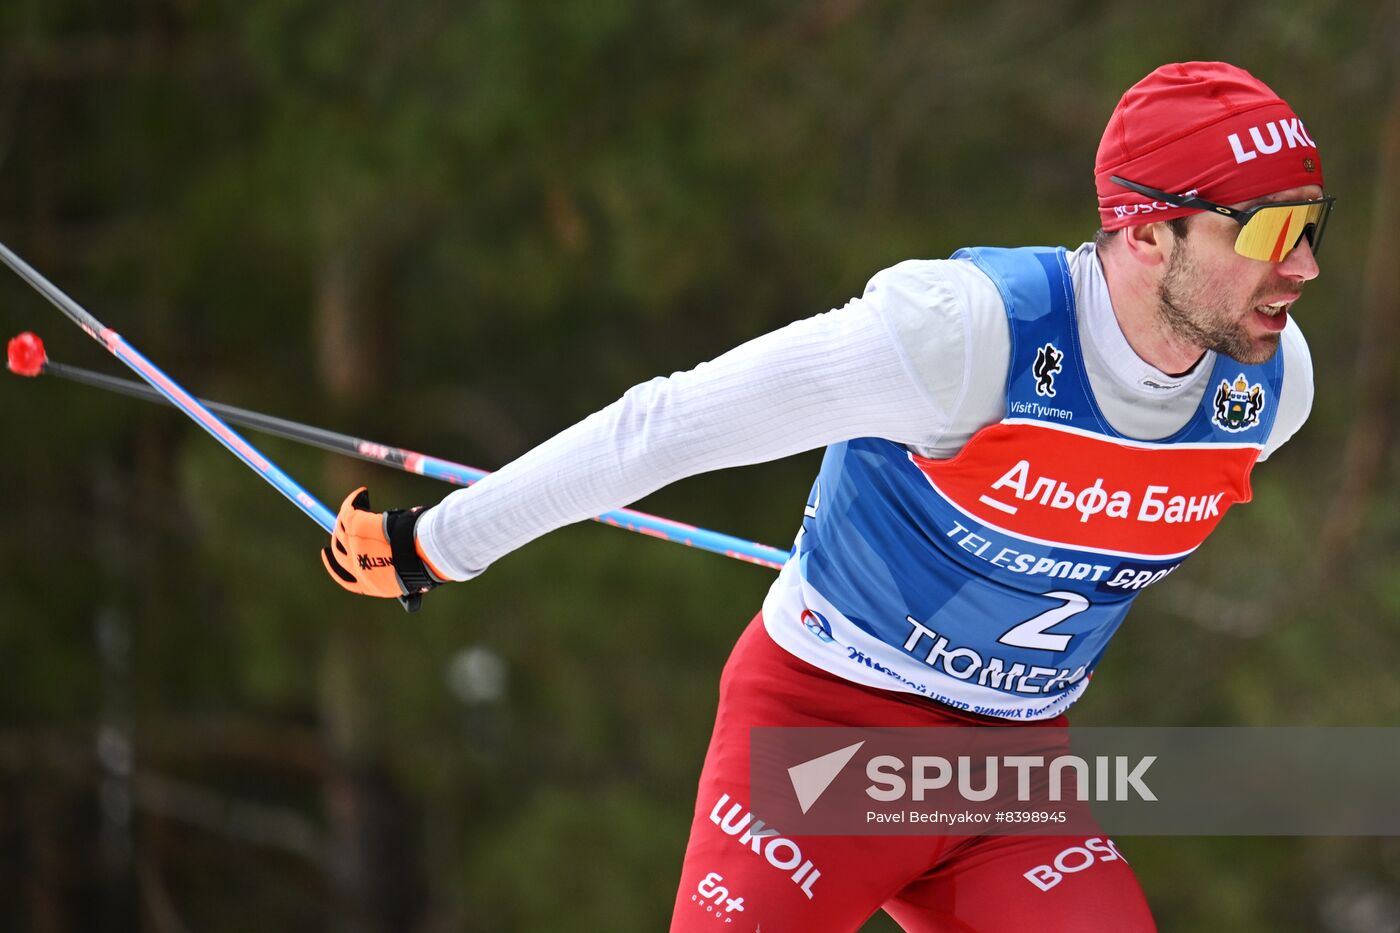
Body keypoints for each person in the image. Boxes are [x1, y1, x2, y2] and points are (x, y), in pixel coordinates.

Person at [320, 62, 1330, 931]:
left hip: (1009, 781)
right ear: (1149, 232)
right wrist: (436, 542)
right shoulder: (962, 337)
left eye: (1313, 222)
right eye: (1270, 229)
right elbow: (665, 426)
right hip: (818, 751)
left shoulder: (1269, 391)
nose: (1303, 266)